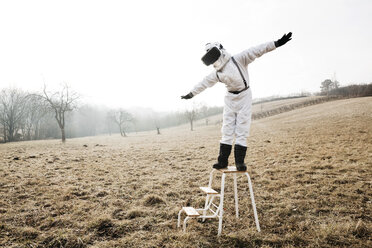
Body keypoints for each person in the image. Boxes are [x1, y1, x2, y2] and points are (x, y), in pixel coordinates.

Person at [181, 33, 292, 171]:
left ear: (220, 50)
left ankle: (240, 162)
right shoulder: (217, 73)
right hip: (229, 99)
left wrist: (276, 43)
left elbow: (257, 50)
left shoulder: (239, 59)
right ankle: (222, 161)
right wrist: (191, 94)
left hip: (244, 96)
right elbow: (204, 83)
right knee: (227, 129)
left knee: (242, 128)